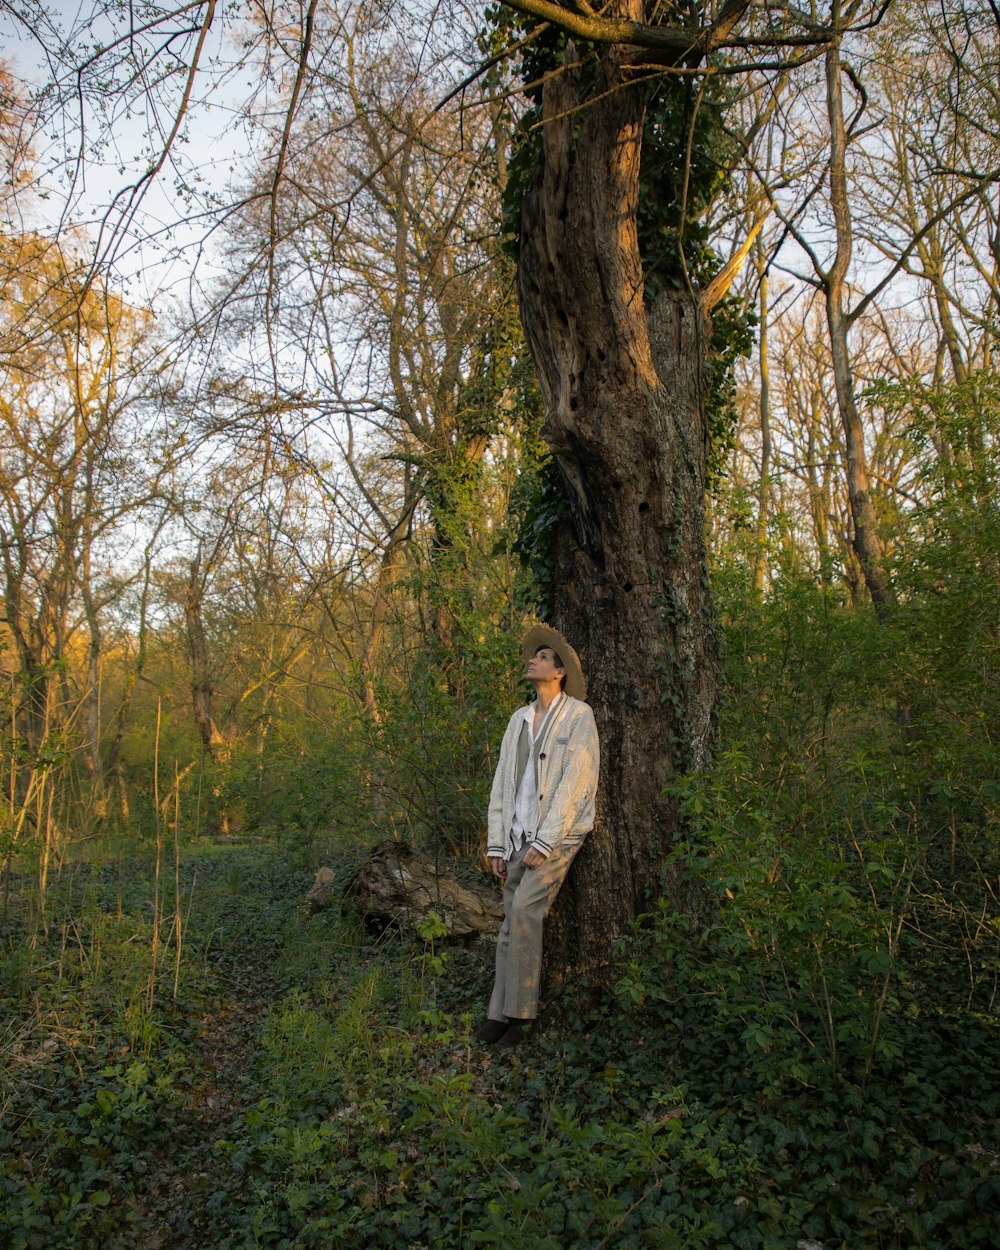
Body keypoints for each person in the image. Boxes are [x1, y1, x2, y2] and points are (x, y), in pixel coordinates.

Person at [475, 624, 600, 1048]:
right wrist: (497, 842)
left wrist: (546, 841)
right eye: (535, 656)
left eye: (543, 657)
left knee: (527, 913)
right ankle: (498, 1013)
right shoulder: (519, 720)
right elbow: (503, 782)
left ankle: (522, 1016)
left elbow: (577, 781)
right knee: (510, 923)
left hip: (558, 837)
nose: (533, 660)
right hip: (517, 835)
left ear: (559, 672)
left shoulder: (579, 716)